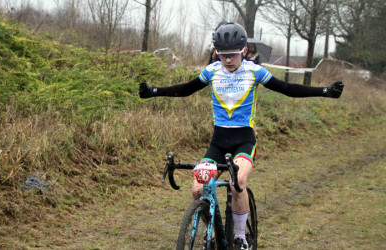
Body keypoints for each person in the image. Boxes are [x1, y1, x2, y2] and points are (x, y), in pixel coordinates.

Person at [139, 22, 344, 249]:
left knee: (238, 181)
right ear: (217, 53)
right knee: (197, 188)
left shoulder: (254, 72)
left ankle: (240, 236)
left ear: (244, 51)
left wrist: (324, 91)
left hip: (244, 140)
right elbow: (186, 89)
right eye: (223, 55)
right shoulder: (212, 71)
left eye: (233, 55)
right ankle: (212, 224)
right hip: (218, 142)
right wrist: (154, 92)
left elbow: (286, 88)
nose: (228, 60)